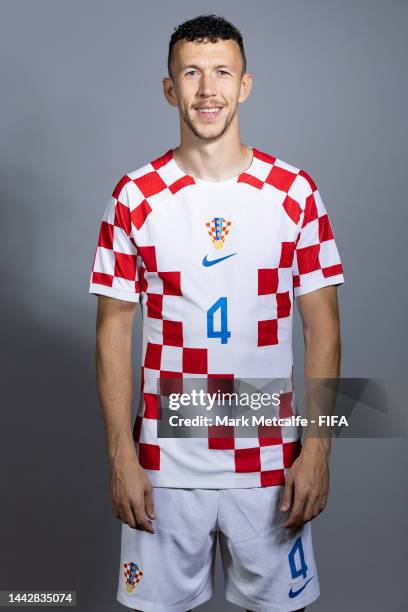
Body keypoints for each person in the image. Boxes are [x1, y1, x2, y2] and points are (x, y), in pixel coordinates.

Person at [89, 13, 344, 612]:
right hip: (164, 463)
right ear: (170, 88)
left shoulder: (294, 191)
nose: (208, 90)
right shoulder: (135, 196)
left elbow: (323, 328)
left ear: (245, 85)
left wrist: (320, 451)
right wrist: (120, 458)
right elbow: (112, 334)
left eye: (222, 72)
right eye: (192, 73)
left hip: (272, 461)